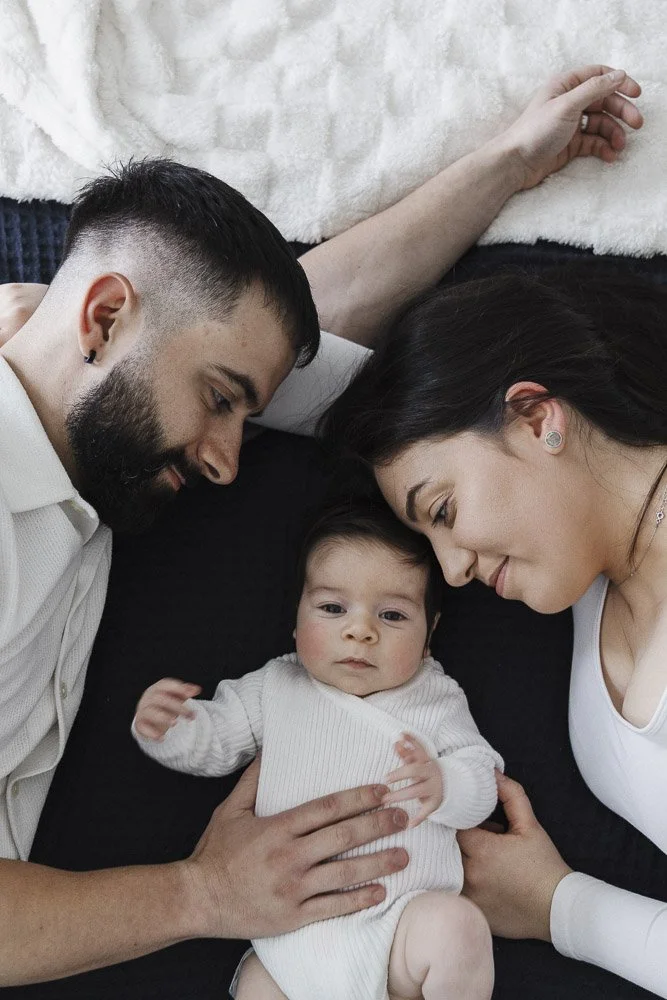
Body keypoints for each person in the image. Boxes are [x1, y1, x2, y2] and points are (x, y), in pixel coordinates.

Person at [0, 64, 642, 986]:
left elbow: (307, 331)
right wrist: (202, 895)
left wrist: (507, 162)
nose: (230, 456)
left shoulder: (102, 434)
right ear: (101, 317)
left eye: (243, 409)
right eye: (221, 402)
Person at [322, 265, 667, 997]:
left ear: (538, 417)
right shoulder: (590, 578)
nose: (448, 571)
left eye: (442, 510)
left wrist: (563, 909)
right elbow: (292, 369)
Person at [132, 500, 503, 1000]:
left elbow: (482, 778)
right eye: (332, 608)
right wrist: (172, 727)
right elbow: (216, 742)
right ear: (295, 617)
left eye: (392, 615)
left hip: (397, 923)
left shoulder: (436, 699)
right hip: (289, 937)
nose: (360, 631)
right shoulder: (276, 686)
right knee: (255, 986)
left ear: (430, 633)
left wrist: (447, 783)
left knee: (458, 929)